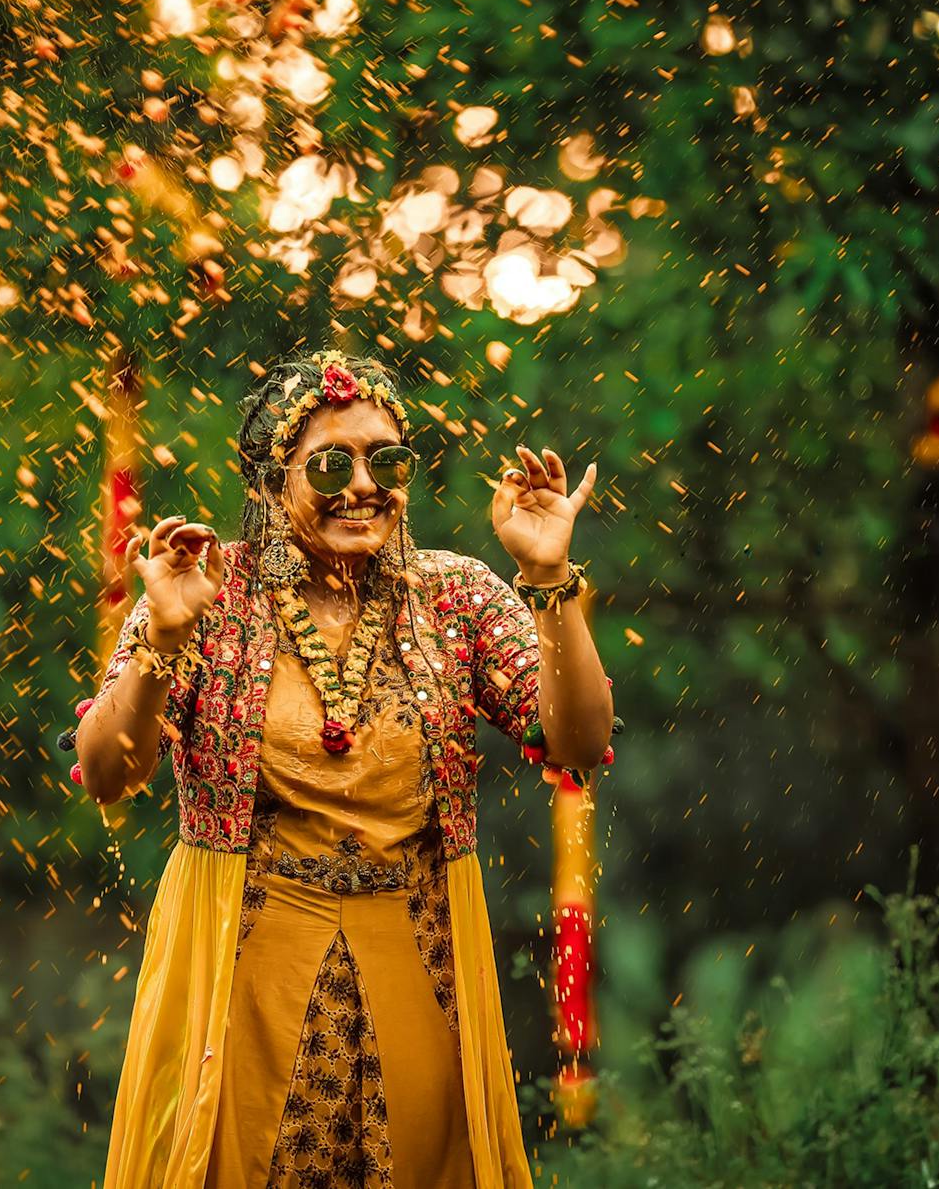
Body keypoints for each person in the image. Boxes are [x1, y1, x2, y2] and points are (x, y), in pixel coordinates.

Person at [69, 349, 615, 1189]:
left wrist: (547, 574)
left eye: (386, 459)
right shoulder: (204, 591)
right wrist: (162, 642)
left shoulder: (456, 598)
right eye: (332, 462)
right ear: (269, 479)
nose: (364, 484)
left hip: (420, 968)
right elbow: (107, 773)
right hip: (244, 982)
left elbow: (577, 741)